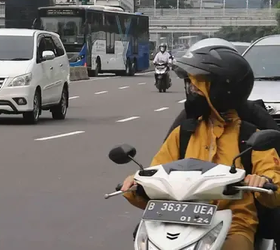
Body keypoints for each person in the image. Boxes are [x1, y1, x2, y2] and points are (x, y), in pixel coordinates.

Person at [120, 43, 280, 250]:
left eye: (198, 86)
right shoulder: (183, 134)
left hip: (232, 225)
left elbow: (275, 187)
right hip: (178, 222)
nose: (191, 91)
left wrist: (262, 182)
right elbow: (156, 177)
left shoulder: (251, 138)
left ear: (223, 91)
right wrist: (136, 184)